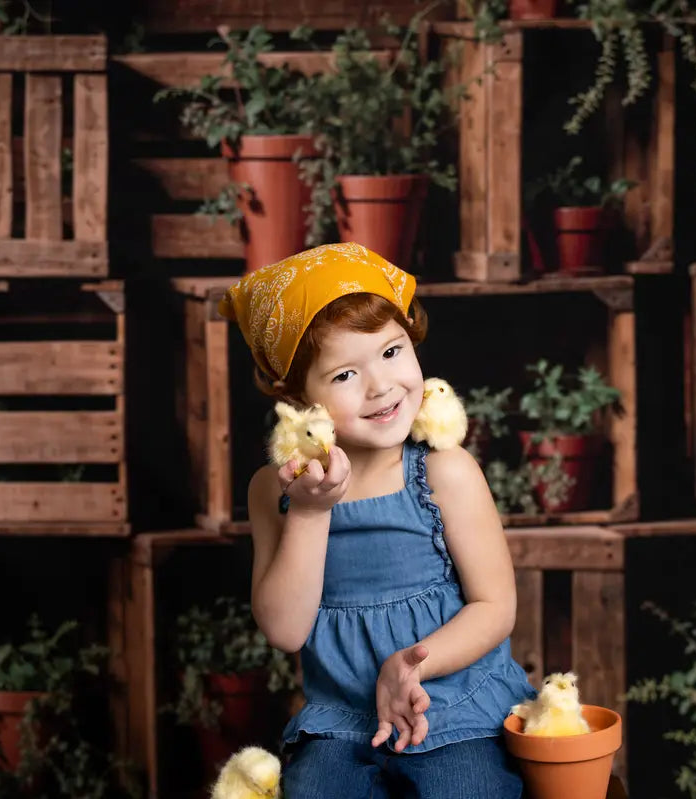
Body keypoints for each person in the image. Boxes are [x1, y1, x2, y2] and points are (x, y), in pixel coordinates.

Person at [218, 243, 535, 798]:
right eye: (344, 374)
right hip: (342, 721)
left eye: (391, 352)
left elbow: (495, 606)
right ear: (296, 396)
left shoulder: (445, 472)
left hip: (454, 707)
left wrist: (409, 667)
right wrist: (312, 512)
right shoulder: (277, 491)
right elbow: (286, 630)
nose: (381, 385)